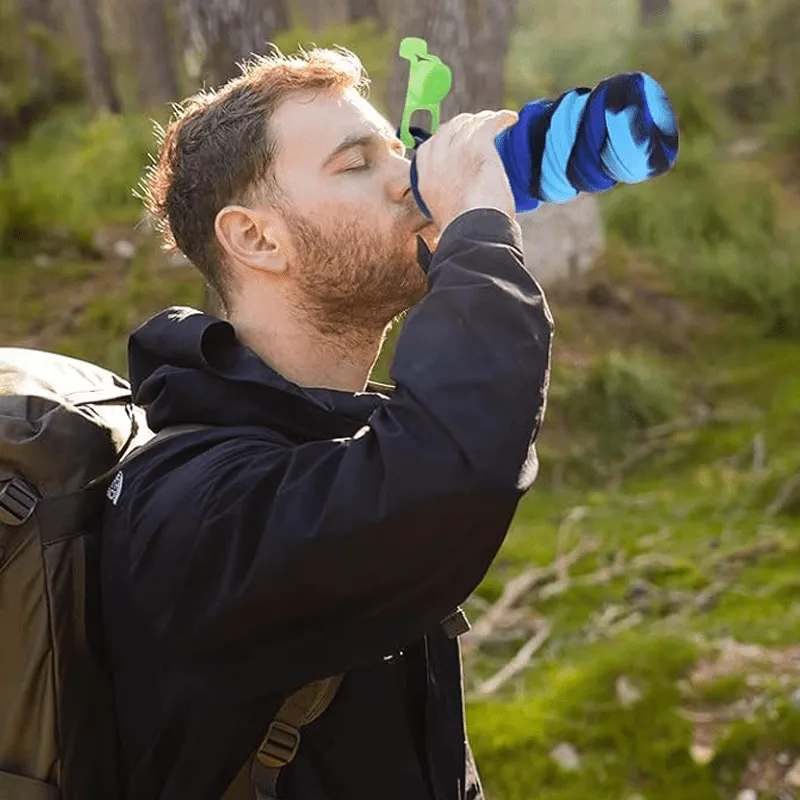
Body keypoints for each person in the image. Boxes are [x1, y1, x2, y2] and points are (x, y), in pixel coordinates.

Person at [100, 45, 554, 800]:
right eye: (356, 164)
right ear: (255, 239)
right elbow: (452, 468)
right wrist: (478, 225)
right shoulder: (196, 506)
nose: (409, 179)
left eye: (398, 151)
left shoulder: (330, 444)